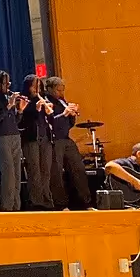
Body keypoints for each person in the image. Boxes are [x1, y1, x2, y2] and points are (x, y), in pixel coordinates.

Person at [45, 77, 92, 210]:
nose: (61, 93)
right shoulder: (46, 101)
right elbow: (50, 123)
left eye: (62, 90)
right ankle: (61, 204)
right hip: (53, 140)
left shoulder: (62, 101)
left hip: (66, 138)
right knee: (56, 173)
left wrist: (72, 115)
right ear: (50, 89)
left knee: (78, 169)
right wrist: (64, 114)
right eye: (58, 90)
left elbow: (69, 125)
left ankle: (85, 202)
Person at [0, 71, 29, 211]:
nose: (9, 85)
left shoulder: (6, 97)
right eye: (6, 83)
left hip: (14, 135)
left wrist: (20, 111)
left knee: (17, 173)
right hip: (0, 136)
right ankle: (7, 206)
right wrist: (9, 106)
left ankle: (16, 206)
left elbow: (15, 121)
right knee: (8, 172)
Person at [18, 75, 54, 210]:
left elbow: (51, 120)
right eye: (34, 86)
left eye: (38, 86)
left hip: (45, 138)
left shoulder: (43, 99)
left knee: (46, 171)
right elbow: (22, 121)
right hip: (31, 139)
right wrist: (36, 109)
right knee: (35, 172)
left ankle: (47, 200)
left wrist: (49, 112)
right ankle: (36, 202)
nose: (36, 89)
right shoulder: (23, 100)